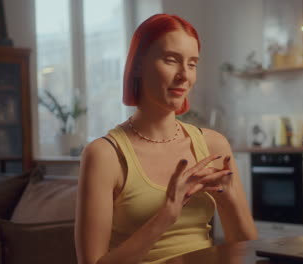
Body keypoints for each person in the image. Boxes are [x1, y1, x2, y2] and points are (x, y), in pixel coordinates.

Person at [75, 14, 257, 264]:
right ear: (138, 65)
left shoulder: (213, 146)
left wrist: (228, 199)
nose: (184, 75)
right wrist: (166, 216)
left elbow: (248, 250)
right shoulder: (104, 155)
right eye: (171, 60)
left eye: (192, 64)